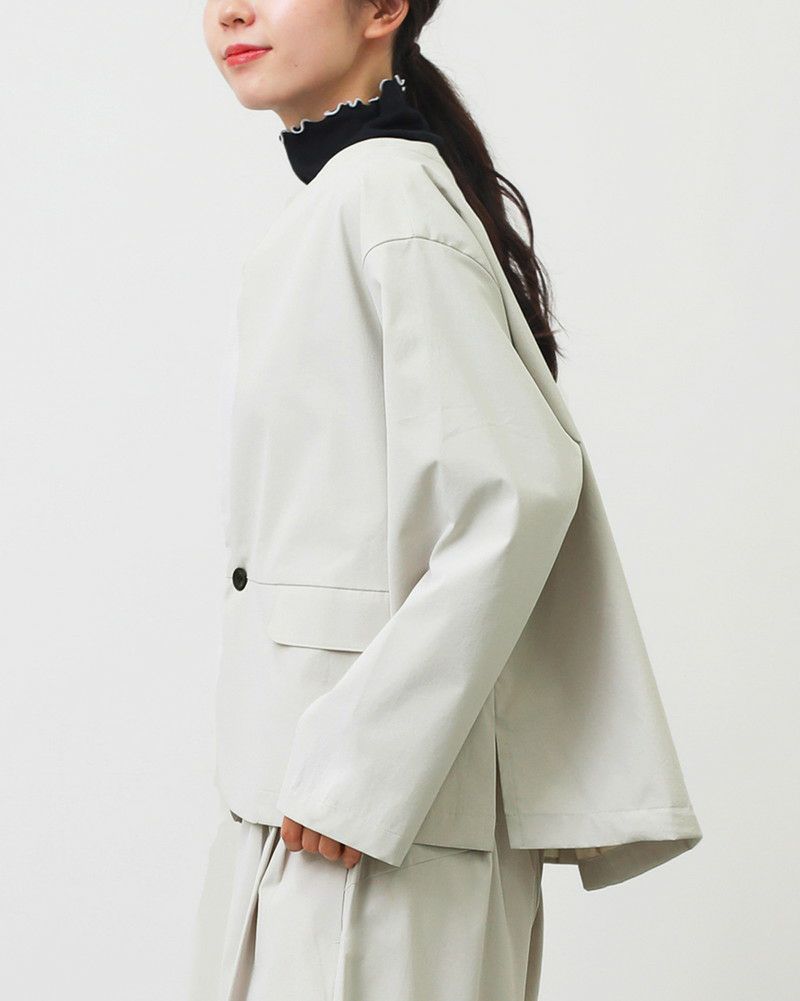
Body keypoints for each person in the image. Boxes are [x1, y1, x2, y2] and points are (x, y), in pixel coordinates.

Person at [200, 3, 703, 999]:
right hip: (320, 806)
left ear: (382, 9)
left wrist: (361, 762)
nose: (231, 10)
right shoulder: (355, 195)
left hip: (368, 826)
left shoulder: (384, 196)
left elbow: (515, 491)